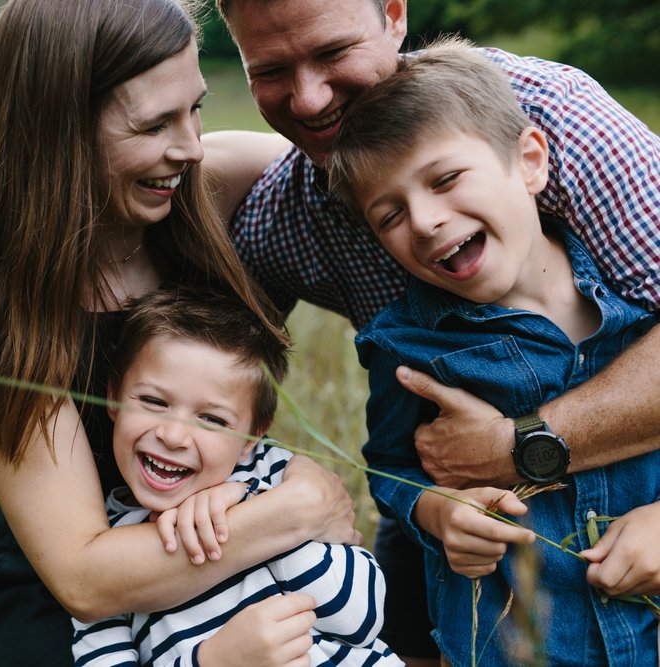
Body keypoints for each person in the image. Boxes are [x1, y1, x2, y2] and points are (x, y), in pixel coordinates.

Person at [203, 0, 660, 662]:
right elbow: (394, 466)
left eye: (332, 53)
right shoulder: (306, 222)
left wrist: (515, 444)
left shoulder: (549, 117)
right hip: (501, 604)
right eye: (271, 69)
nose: (307, 99)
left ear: (393, 15)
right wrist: (434, 511)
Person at [0, 1, 361, 664]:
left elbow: (393, 163)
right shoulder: (15, 306)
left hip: (215, 568)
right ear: (59, 131)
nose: (191, 145)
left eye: (194, 108)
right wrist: (294, 506)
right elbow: (82, 577)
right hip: (70, 602)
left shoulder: (214, 180)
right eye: (154, 124)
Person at [325, 37, 660, 665]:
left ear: (530, 160)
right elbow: (393, 465)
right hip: (514, 645)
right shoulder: (409, 347)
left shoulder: (640, 303)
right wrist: (439, 512)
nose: (424, 221)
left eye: (446, 179)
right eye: (389, 215)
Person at [71, 286, 402, 666]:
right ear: (113, 396)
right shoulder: (107, 553)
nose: (173, 435)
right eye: (153, 402)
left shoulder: (277, 476)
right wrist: (214, 661)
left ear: (251, 436)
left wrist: (257, 506)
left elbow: (360, 619)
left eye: (211, 419)